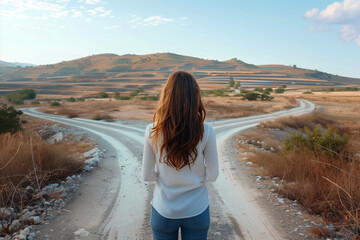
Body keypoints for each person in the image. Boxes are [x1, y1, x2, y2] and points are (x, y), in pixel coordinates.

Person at [141, 71, 219, 240]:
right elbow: (213, 176)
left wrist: (164, 176)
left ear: (167, 96)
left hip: (164, 210)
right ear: (195, 97)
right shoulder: (207, 130)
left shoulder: (151, 130)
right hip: (197, 210)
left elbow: (146, 175)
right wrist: (195, 175)